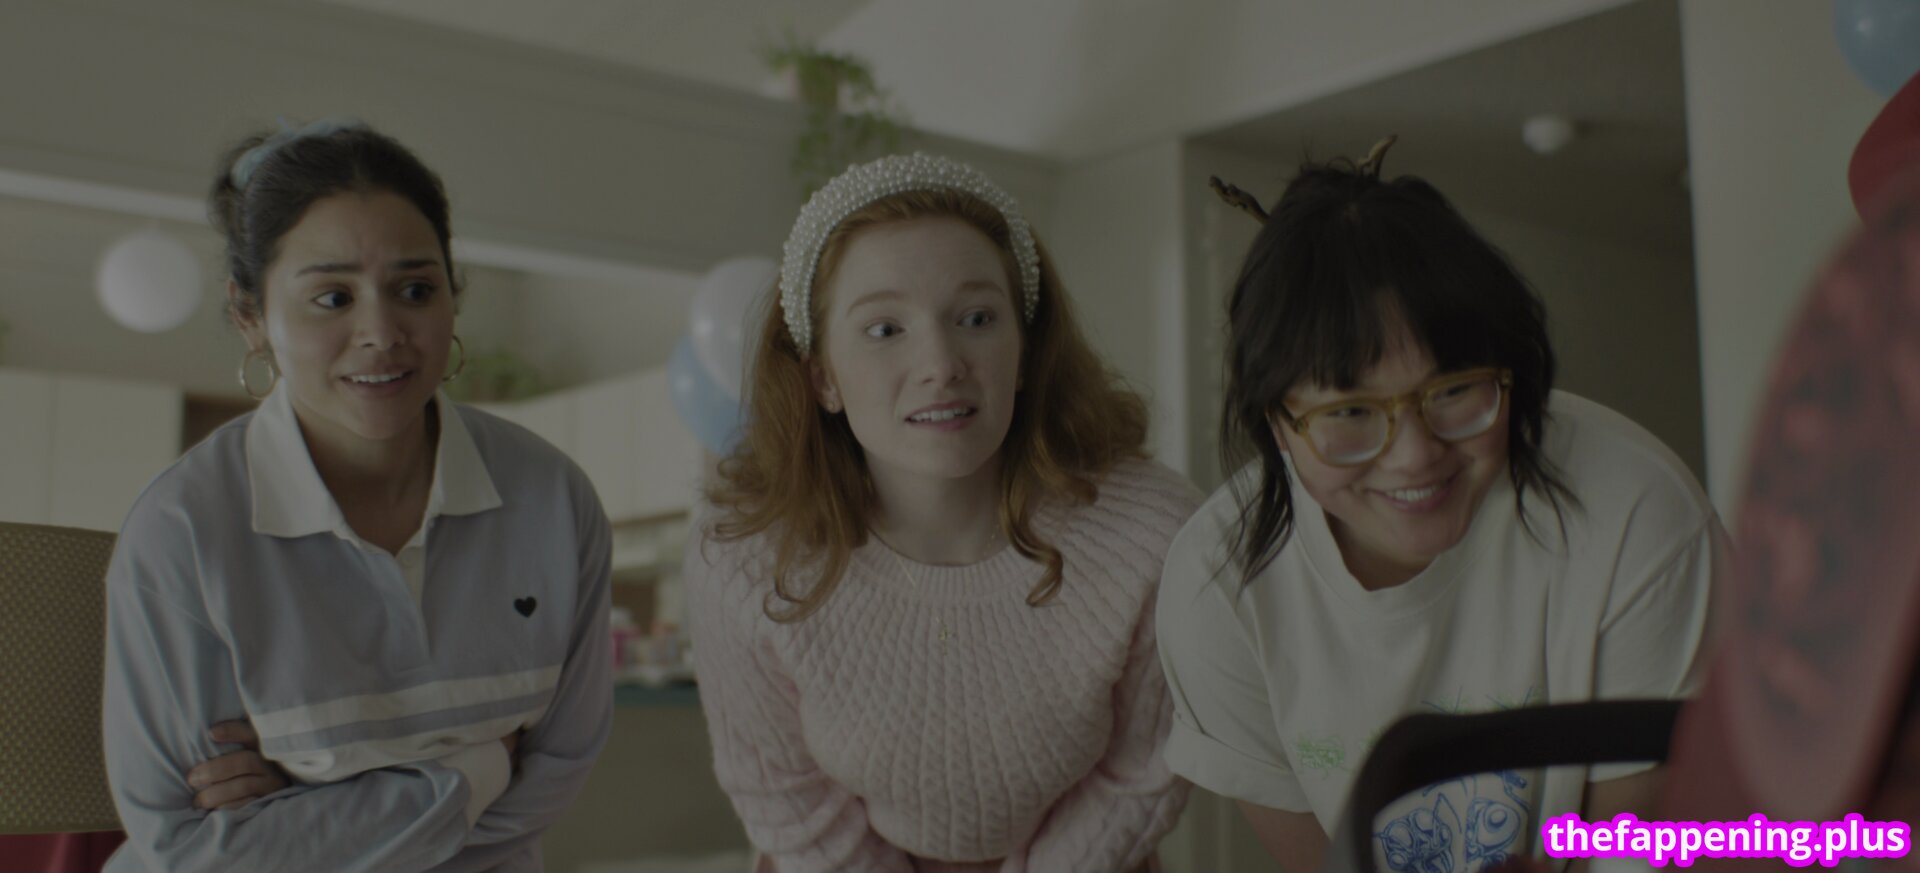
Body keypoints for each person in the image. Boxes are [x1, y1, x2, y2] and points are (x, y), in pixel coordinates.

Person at [1158, 139, 1724, 873]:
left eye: (1454, 391)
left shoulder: (1631, 509)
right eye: (1351, 412)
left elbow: (1642, 848)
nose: (1415, 455)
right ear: (1278, 424)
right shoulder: (1218, 587)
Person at [100, 120, 612, 872]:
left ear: (452, 296)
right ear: (251, 317)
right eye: (332, 297)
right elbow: (189, 848)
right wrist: (476, 769)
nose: (381, 331)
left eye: (415, 290)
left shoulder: (553, 499)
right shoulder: (183, 528)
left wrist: (310, 802)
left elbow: (556, 776)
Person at [686, 152, 1199, 872]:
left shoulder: (1156, 533)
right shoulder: (742, 560)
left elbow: (1146, 768)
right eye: (884, 329)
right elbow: (781, 791)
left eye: (977, 317)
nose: (941, 363)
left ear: (1025, 351)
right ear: (822, 377)